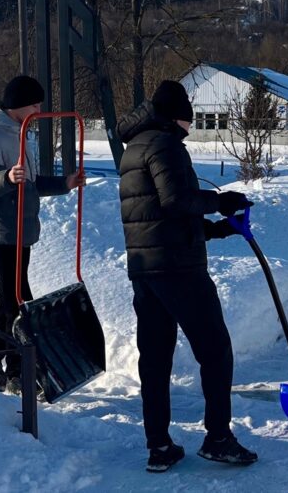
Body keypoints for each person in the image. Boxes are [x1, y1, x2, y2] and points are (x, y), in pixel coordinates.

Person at [117, 80, 257, 473]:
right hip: (179, 270)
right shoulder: (165, 145)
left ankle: (159, 445)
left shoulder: (135, 148)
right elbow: (177, 201)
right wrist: (221, 202)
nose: (190, 129)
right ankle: (218, 438)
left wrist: (216, 229)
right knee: (215, 350)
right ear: (175, 116)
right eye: (188, 120)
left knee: (156, 357)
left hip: (147, 269)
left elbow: (156, 217)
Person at [0, 75, 85, 395]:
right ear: (19, 105)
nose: (38, 109)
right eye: (34, 104)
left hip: (19, 230)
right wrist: (6, 177)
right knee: (18, 304)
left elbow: (28, 184)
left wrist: (66, 183)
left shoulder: (17, 132)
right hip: (1, 231)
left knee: (7, 300)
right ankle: (20, 372)